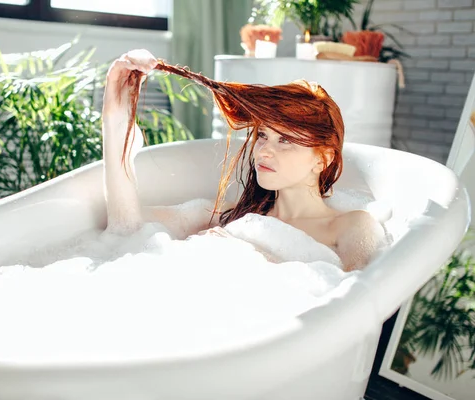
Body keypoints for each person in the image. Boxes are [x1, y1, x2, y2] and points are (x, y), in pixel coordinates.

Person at [101, 49, 385, 272]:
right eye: (262, 135)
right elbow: (125, 226)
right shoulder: (233, 217)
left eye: (285, 140)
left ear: (322, 159)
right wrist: (115, 119)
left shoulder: (351, 225)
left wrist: (248, 254)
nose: (263, 151)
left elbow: (351, 299)